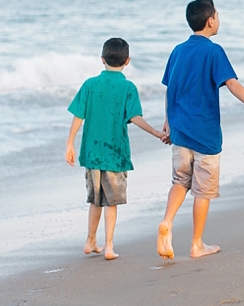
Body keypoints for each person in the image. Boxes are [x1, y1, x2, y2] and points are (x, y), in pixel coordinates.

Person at [157, 0, 244, 261]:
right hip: (205, 133)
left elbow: (170, 90)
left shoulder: (177, 50)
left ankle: (167, 221)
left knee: (180, 181)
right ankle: (197, 244)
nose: (219, 20)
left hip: (179, 131)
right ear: (210, 20)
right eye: (218, 16)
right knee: (202, 190)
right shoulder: (214, 51)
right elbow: (232, 84)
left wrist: (167, 121)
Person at [65, 38, 168, 260]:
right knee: (111, 201)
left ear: (102, 59)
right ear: (127, 61)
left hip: (92, 153)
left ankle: (90, 240)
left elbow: (78, 115)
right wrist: (156, 132)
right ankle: (109, 246)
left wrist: (69, 143)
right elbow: (135, 117)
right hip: (115, 153)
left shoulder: (90, 84)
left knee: (95, 199)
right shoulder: (128, 87)